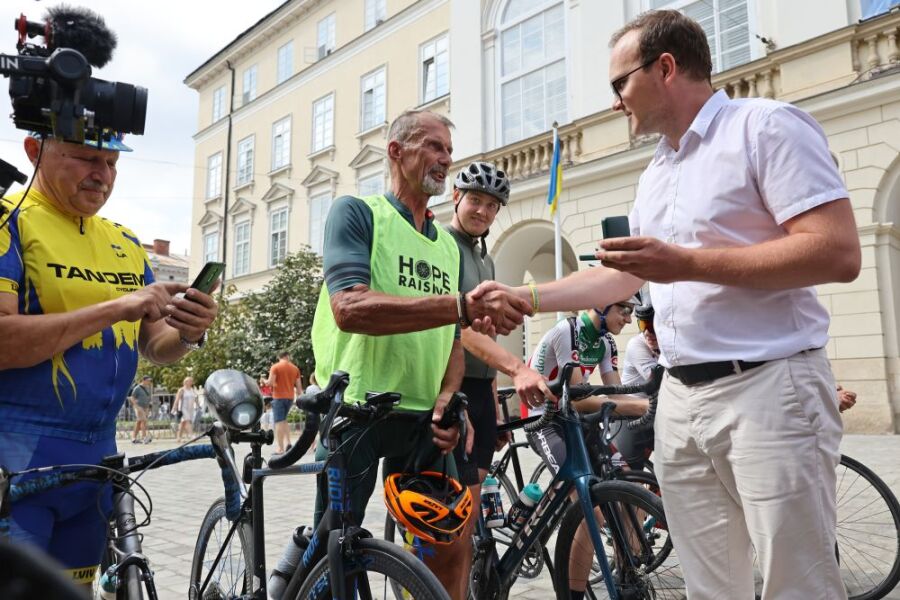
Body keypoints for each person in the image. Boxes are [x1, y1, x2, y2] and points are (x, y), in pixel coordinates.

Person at [472, 9, 861, 598]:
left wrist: (685, 263)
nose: (613, 103)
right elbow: (618, 279)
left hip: (769, 390)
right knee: (708, 586)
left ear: (666, 68)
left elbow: (836, 253)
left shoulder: (766, 126)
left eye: (619, 84)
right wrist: (525, 295)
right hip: (679, 399)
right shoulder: (656, 172)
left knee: (797, 583)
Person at [310, 109, 530, 600]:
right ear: (396, 151)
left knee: (445, 546)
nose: (444, 158)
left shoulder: (447, 248)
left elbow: (452, 338)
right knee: (339, 555)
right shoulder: (357, 213)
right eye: (433, 146)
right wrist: (457, 305)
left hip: (423, 422)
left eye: (448, 150)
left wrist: (450, 396)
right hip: (357, 410)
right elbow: (349, 307)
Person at [0, 129, 218, 589]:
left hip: (97, 459)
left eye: (113, 164)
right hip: (17, 458)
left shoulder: (123, 240)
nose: (102, 176)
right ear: (34, 151)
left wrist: (190, 331)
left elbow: (155, 344)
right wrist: (118, 306)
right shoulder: (8, 219)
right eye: (85, 159)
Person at [442, 161, 553, 583]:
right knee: (456, 517)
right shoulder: (443, 247)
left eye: (492, 206)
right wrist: (517, 366)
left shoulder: (485, 260)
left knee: (471, 520)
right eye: (475, 201)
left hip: (481, 390)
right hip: (451, 388)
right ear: (457, 198)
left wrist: (494, 398)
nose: (483, 212)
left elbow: (482, 333)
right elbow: (457, 331)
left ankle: (469, 586)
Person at [267, 351, 302, 454]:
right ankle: (288, 444)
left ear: (279, 357)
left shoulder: (275, 367)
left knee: (279, 422)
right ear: (287, 356)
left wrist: (264, 381)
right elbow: (299, 389)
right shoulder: (295, 368)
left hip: (278, 397)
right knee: (284, 420)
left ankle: (280, 448)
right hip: (290, 398)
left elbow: (271, 382)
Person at [173, 376, 199, 443]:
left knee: (183, 423)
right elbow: (177, 399)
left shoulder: (192, 389)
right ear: (185, 382)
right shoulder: (182, 390)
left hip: (190, 408)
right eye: (189, 381)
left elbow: (195, 398)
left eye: (191, 381)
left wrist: (198, 405)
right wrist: (174, 407)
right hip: (183, 408)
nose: (191, 382)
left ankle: (178, 438)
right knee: (187, 421)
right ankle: (191, 436)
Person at [130, 375, 154, 444]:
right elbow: (132, 398)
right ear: (143, 380)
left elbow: (148, 398)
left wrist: (149, 407)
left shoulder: (148, 388)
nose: (149, 382)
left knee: (139, 422)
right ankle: (144, 437)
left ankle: (133, 438)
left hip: (145, 407)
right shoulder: (137, 388)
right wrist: (137, 407)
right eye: (148, 380)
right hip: (139, 406)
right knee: (144, 421)